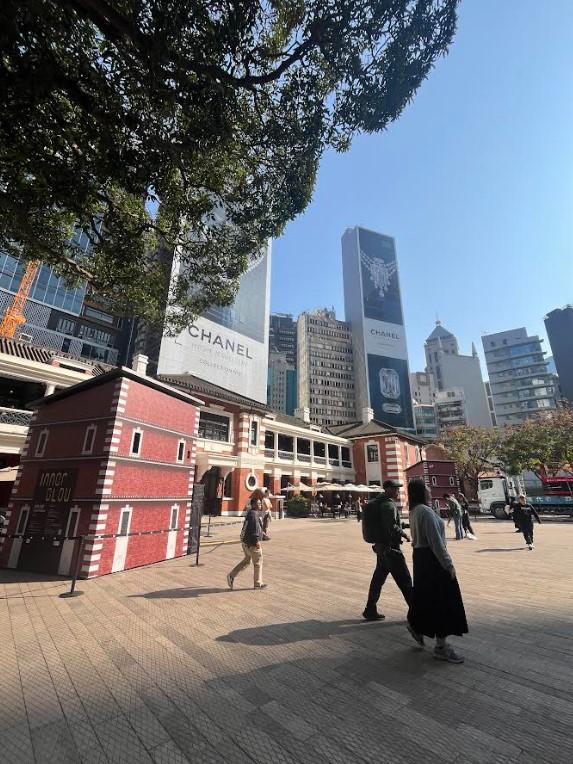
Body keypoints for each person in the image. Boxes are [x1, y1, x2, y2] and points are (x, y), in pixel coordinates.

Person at [407, 479, 468, 663]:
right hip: (433, 561)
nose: (430, 489)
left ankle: (416, 625)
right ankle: (441, 646)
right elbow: (436, 543)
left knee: (426, 597)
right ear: (420, 491)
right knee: (444, 602)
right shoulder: (425, 511)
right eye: (426, 488)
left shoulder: (414, 511)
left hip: (421, 559)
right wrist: (448, 565)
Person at [361, 479, 417, 625]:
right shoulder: (388, 504)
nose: (397, 491)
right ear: (387, 489)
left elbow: (392, 523)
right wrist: (405, 535)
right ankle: (418, 613)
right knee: (405, 580)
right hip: (391, 549)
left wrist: (407, 524)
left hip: (381, 548)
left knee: (378, 580)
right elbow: (391, 526)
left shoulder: (380, 502)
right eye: (395, 488)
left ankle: (370, 609)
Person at [227, 497, 267, 589]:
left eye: (260, 503)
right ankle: (258, 583)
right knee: (258, 562)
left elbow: (250, 527)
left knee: (246, 561)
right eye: (258, 503)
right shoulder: (254, 514)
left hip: (245, 542)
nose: (260, 505)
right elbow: (253, 529)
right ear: (253, 505)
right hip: (252, 543)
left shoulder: (251, 513)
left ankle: (231, 576)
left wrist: (262, 533)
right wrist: (256, 541)